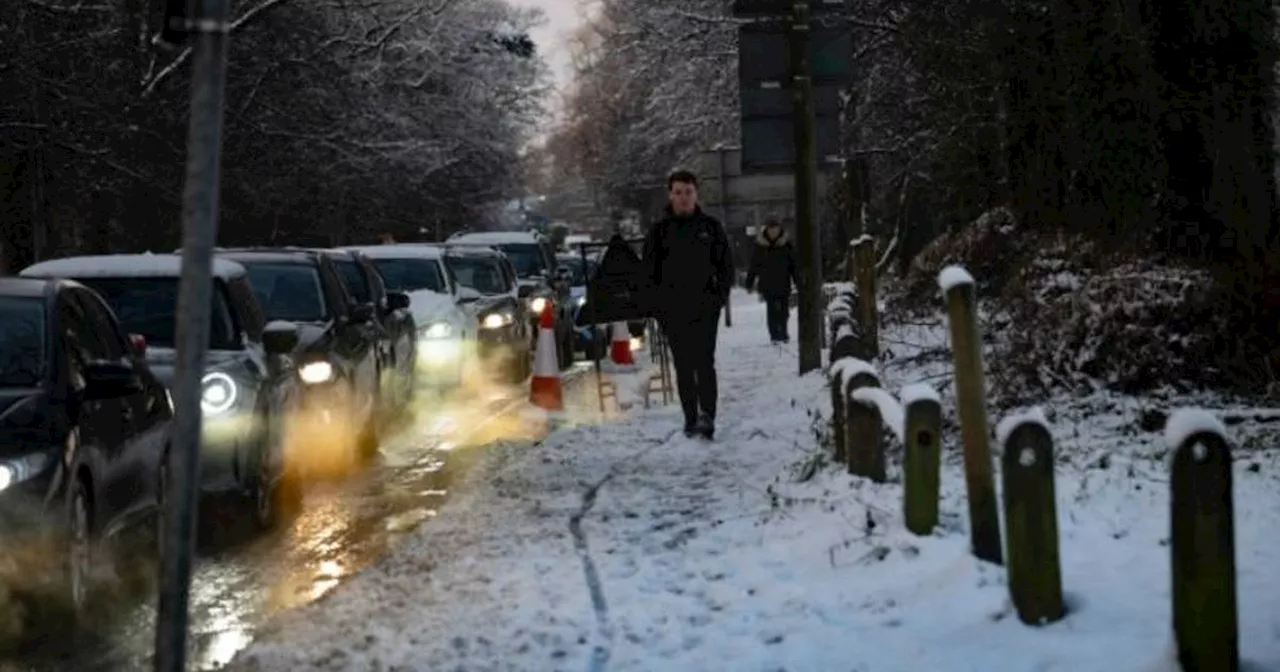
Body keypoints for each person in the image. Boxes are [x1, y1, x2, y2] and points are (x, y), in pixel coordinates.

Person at [643, 168, 734, 439]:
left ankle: (708, 415)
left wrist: (718, 297)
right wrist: (657, 307)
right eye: (678, 193)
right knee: (683, 365)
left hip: (705, 307)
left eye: (688, 192)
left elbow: (725, 267)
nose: (683, 198)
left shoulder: (710, 228)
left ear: (696, 195)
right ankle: (690, 417)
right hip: (673, 310)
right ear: (670, 195)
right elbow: (648, 274)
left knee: (704, 362)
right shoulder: (659, 232)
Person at [744, 218, 798, 343]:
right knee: (772, 310)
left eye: (775, 228)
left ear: (779, 229)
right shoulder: (761, 246)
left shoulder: (786, 244)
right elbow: (754, 265)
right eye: (771, 229)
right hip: (768, 283)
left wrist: (797, 280)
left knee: (784, 311)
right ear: (767, 229)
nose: (773, 231)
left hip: (783, 281)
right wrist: (750, 282)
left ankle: (783, 332)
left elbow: (793, 264)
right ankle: (774, 334)